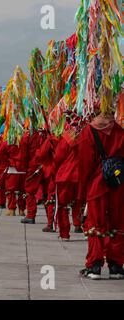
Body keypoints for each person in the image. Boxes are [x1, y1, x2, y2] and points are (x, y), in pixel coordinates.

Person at [78, 113, 124, 279]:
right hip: (118, 183)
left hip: (97, 183)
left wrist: (82, 190)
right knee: (117, 222)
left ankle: (94, 265)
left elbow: (85, 163)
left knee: (95, 223)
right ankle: (116, 266)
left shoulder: (88, 132)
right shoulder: (120, 131)